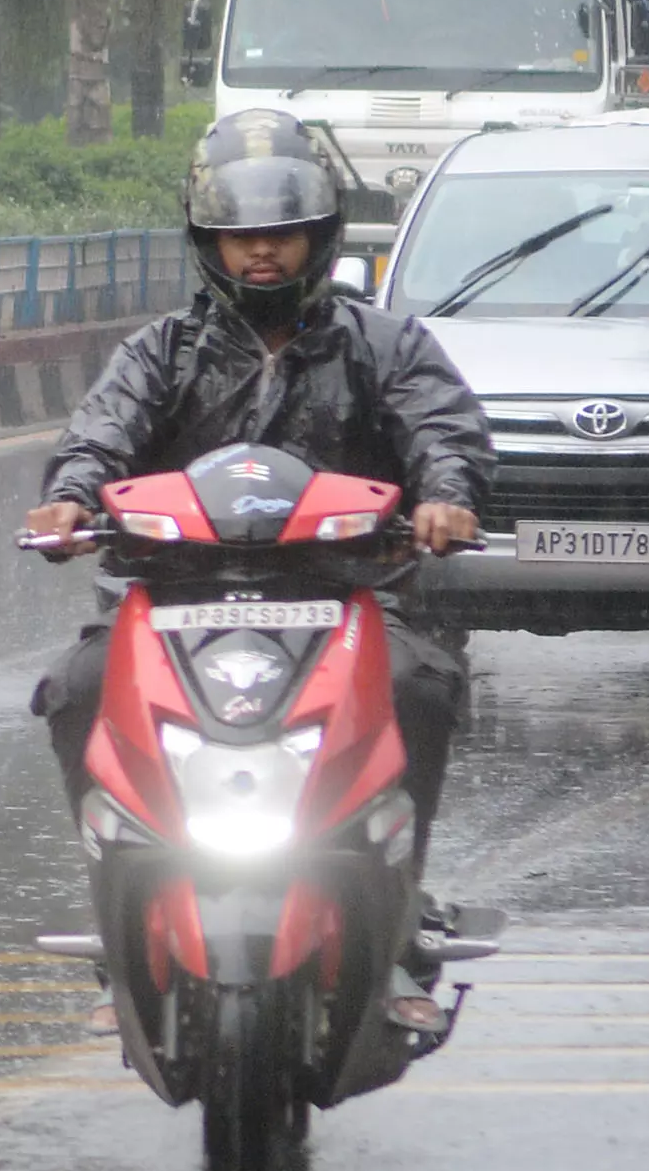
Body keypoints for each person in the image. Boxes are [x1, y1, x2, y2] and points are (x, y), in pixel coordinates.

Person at [24, 108, 493, 857]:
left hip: (347, 594)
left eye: (282, 233)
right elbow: (100, 434)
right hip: (176, 597)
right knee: (78, 690)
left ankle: (399, 888)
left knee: (419, 689)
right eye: (242, 238)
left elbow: (443, 429)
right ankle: (120, 873)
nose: (263, 252)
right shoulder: (160, 353)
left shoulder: (386, 345)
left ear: (321, 236)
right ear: (212, 245)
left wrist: (447, 496)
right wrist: (71, 498)